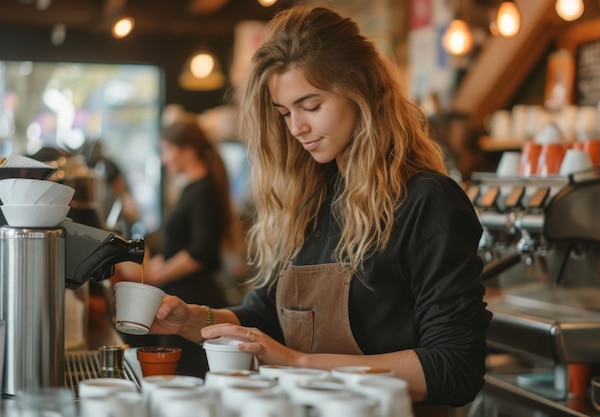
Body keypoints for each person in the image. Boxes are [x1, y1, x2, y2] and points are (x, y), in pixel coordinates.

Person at [147, 5, 491, 412]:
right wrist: (195, 320)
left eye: (310, 106)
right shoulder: (310, 199)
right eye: (285, 113)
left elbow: (455, 367)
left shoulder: (426, 201)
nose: (296, 128)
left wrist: (301, 363)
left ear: (360, 89)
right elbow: (268, 313)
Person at [117, 115, 241, 377]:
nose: (164, 159)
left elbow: (199, 253)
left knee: (187, 378)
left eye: (166, 150)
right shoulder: (190, 190)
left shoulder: (202, 191)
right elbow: (176, 250)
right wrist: (146, 273)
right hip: (181, 299)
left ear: (186, 150)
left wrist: (152, 276)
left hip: (195, 300)